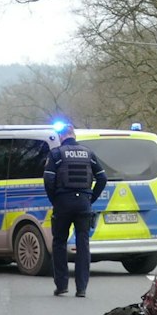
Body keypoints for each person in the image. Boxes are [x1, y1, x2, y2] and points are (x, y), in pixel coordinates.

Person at [42, 122, 108, 297]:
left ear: (61, 137)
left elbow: (48, 180)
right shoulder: (88, 154)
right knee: (83, 245)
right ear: (74, 135)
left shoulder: (56, 154)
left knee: (59, 243)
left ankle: (62, 285)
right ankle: (82, 289)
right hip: (83, 203)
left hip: (63, 203)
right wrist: (90, 198)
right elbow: (102, 178)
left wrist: (55, 200)